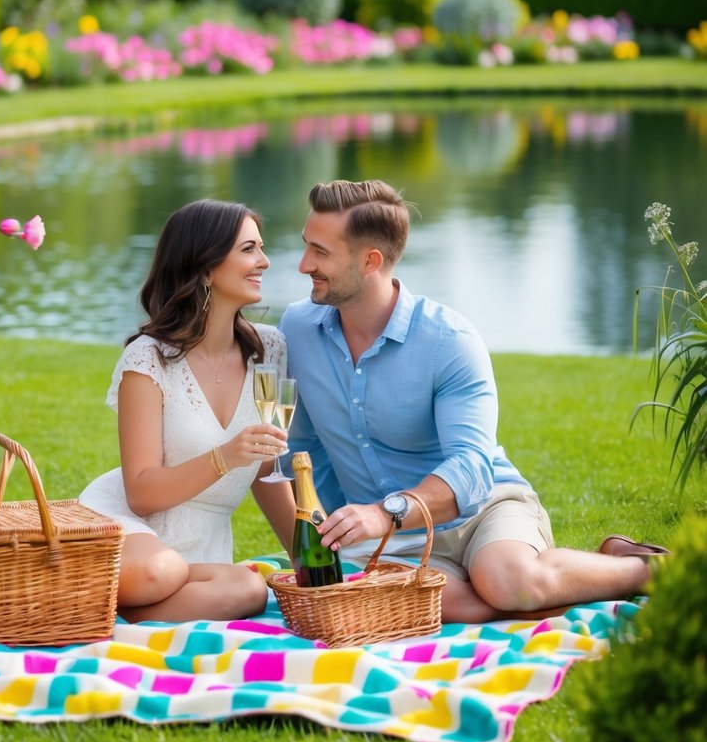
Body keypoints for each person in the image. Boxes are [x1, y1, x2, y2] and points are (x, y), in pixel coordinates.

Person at [280, 178, 669, 624]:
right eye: (306, 246)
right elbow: (302, 450)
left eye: (321, 252)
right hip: (387, 541)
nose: (304, 264)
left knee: (508, 582)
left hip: (481, 510)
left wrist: (382, 513)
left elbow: (470, 467)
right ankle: (544, 587)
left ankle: (643, 568)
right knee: (449, 607)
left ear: (371, 261)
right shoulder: (298, 330)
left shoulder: (448, 340)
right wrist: (318, 540)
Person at [80, 199, 295, 623]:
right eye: (249, 249)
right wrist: (227, 456)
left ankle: (102, 611)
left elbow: (268, 470)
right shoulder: (148, 359)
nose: (264, 261)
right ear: (206, 267)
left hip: (204, 552)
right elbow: (140, 494)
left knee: (250, 588)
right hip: (133, 532)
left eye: (261, 248)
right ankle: (111, 600)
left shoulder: (269, 349)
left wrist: (308, 558)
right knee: (161, 572)